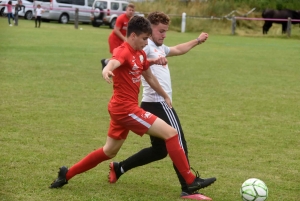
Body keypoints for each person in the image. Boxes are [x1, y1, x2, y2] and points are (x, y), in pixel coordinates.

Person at [49, 16, 207, 194]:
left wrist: (164, 94)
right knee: (171, 134)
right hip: (125, 109)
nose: (147, 43)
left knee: (109, 152)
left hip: (121, 109)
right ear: (133, 35)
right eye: (144, 39)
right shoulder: (123, 51)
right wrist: (107, 70)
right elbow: (113, 62)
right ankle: (190, 180)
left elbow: (149, 76)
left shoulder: (140, 53)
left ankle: (66, 174)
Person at [108, 11, 216, 200]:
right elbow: (127, 56)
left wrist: (196, 40)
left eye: (165, 31)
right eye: (160, 31)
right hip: (158, 103)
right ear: (149, 30)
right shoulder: (146, 45)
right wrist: (108, 65)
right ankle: (188, 187)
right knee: (179, 141)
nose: (164, 35)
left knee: (160, 150)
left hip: (150, 103)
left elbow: (178, 49)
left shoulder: (158, 47)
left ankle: (120, 167)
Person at [100, 3, 135, 69]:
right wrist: (124, 39)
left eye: (132, 10)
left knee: (122, 55)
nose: (131, 12)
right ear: (126, 10)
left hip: (122, 40)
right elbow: (116, 30)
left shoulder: (132, 20)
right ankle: (109, 69)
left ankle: (106, 62)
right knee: (116, 56)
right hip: (114, 39)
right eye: (130, 10)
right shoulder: (121, 18)